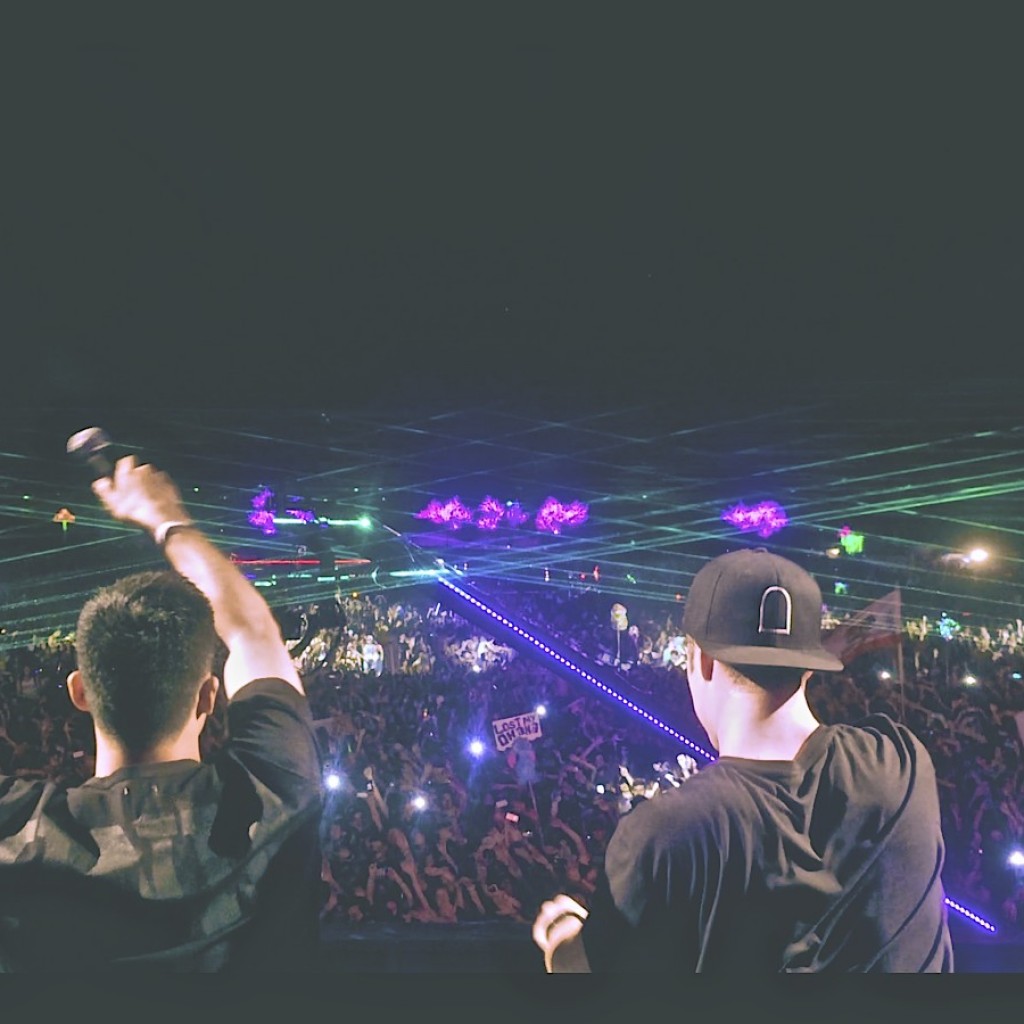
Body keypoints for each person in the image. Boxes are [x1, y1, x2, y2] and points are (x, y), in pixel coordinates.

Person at [533, 548, 954, 973]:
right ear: (808, 667)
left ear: (700, 660)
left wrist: (562, 934)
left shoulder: (664, 833)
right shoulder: (903, 765)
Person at [0, 454, 323, 971]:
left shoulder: (14, 834)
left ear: (80, 691)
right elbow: (253, 632)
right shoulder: (277, 791)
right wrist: (167, 518)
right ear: (209, 697)